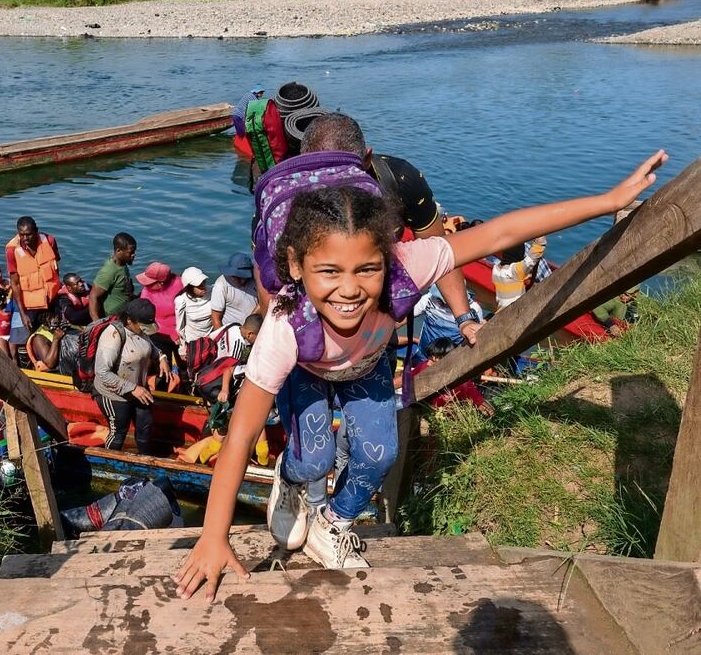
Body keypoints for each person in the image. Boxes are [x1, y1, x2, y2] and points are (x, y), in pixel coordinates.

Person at [174, 150, 665, 594]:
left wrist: (609, 200)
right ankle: (294, 479)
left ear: (389, 259)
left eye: (367, 269)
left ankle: (333, 524)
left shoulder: (411, 263)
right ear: (297, 267)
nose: (349, 290)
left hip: (366, 367)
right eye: (329, 272)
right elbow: (240, 435)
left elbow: (501, 234)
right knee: (314, 456)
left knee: (379, 453)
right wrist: (214, 538)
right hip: (307, 370)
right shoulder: (286, 326)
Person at [267, 112, 482, 346]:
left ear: (367, 159)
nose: (332, 183)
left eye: (344, 173)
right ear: (305, 164)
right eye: (319, 174)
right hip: (307, 328)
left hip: (374, 318)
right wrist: (275, 341)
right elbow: (266, 273)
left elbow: (440, 249)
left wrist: (464, 319)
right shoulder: (282, 198)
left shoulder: (400, 180)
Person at [93, 298, 172, 454]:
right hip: (113, 394)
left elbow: (149, 344)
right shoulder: (113, 336)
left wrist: (161, 357)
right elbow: (102, 372)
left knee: (145, 425)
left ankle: (145, 460)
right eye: (142, 326)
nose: (145, 329)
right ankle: (109, 462)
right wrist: (132, 388)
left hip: (138, 389)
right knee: (119, 431)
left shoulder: (140, 330)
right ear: (129, 320)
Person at [6, 216, 61, 342]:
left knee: (55, 332)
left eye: (29, 234)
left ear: (37, 231)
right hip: (29, 305)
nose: (25, 239)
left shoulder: (49, 241)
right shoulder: (11, 250)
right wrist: (22, 314)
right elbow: (15, 283)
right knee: (25, 339)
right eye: (22, 235)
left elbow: (56, 267)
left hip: (51, 298)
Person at [404, 338, 493, 416]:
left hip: (448, 418)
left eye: (436, 359)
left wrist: (486, 409)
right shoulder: (423, 367)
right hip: (424, 412)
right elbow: (404, 380)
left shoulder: (460, 380)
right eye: (430, 357)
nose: (429, 363)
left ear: (448, 360)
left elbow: (477, 399)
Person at [412, 285, 485, 363]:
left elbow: (476, 336)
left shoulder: (474, 309)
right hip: (424, 352)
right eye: (439, 299)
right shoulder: (429, 299)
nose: (441, 303)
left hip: (451, 359)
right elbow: (403, 317)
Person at [89, 232, 137, 320]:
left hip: (124, 312)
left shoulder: (122, 264)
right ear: (118, 251)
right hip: (112, 317)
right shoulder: (109, 271)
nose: (133, 255)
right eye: (130, 252)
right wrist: (96, 323)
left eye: (134, 252)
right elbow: (93, 296)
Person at [493, 236, 547, 310]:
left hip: (500, 311)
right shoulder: (516, 271)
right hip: (514, 314)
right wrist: (541, 235)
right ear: (519, 255)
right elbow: (535, 253)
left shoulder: (495, 270)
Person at [210, 253, 258, 329]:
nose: (236, 280)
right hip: (231, 332)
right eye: (233, 276)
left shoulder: (256, 280)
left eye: (240, 277)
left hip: (252, 329)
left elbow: (262, 303)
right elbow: (216, 317)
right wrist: (221, 338)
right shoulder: (221, 283)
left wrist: (249, 322)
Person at [137, 262, 183, 341]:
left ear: (160, 283)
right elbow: (149, 323)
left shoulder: (181, 284)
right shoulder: (146, 294)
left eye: (148, 282)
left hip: (183, 329)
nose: (145, 285)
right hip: (160, 332)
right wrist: (171, 333)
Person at [175, 267, 213, 352]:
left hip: (211, 338)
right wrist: (183, 348)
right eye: (199, 286)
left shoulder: (212, 291)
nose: (204, 288)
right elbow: (180, 327)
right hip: (193, 342)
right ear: (189, 287)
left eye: (204, 282)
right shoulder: (182, 300)